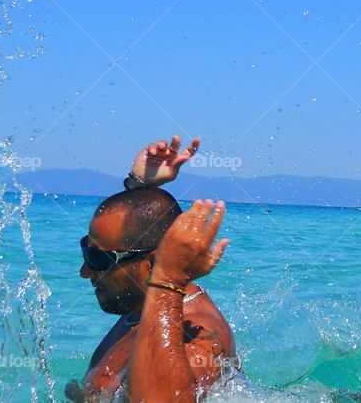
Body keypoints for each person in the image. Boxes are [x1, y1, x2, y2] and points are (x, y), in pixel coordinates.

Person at [66, 136, 236, 402]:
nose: (85, 271)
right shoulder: (143, 304)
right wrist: (138, 187)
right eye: (87, 252)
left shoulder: (199, 337)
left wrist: (170, 278)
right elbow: (136, 235)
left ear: (153, 263)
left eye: (99, 259)